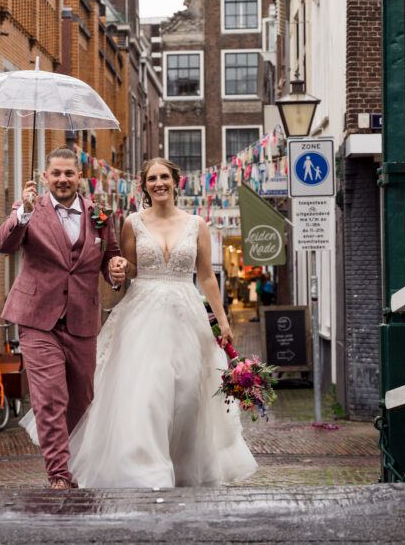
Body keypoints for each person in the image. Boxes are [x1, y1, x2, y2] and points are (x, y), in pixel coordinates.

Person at [30, 157, 257, 488]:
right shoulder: (132, 223)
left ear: (175, 181)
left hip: (186, 316)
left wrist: (222, 320)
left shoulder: (197, 224)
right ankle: (147, 470)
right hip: (143, 316)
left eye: (164, 176)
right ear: (145, 185)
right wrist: (121, 268)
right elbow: (128, 269)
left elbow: (207, 277)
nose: (159, 183)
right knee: (150, 392)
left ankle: (183, 467)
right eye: (152, 178)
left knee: (187, 397)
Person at [0, 147, 126, 490]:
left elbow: (110, 260)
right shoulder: (28, 210)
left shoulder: (99, 214)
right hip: (38, 319)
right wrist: (21, 213)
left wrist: (116, 272)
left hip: (82, 320)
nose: (63, 179)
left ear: (80, 176)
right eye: (56, 173)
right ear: (45, 177)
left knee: (81, 402)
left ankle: (77, 464)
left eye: (69, 173)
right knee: (51, 397)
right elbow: (2, 245)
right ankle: (58, 474)